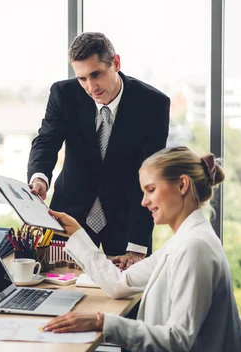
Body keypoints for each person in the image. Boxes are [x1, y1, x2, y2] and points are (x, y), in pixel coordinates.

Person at [44, 146, 241, 351]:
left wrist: (103, 323)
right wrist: (76, 232)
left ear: (182, 184)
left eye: (151, 190)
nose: (144, 202)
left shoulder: (195, 248)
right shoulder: (184, 241)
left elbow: (179, 340)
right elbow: (119, 283)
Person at [28, 32, 170, 269]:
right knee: (59, 293)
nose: (91, 87)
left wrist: (137, 245)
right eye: (82, 78)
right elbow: (46, 141)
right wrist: (39, 177)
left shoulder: (152, 104)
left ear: (116, 63)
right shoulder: (63, 95)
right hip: (70, 216)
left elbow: (151, 178)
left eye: (96, 74)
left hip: (128, 220)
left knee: (127, 299)